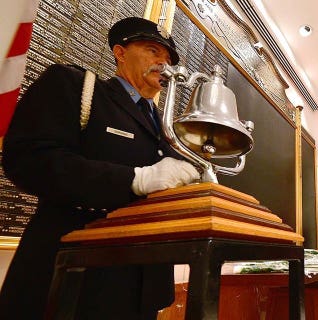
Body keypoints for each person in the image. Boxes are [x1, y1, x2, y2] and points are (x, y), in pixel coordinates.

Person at [0, 17, 200, 319]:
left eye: (168, 58)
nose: (164, 63)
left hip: (141, 285)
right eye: (152, 51)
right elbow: (29, 159)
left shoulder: (166, 125)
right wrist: (135, 179)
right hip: (76, 278)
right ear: (120, 52)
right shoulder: (77, 87)